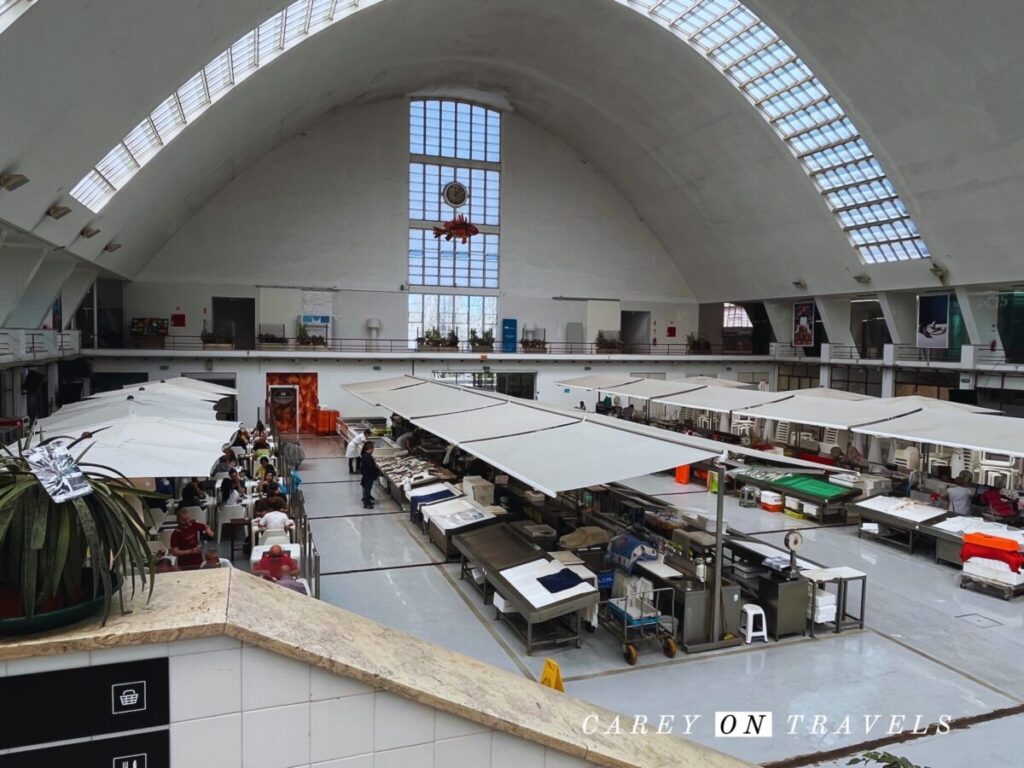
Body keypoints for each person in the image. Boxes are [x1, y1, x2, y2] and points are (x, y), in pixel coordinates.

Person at [360, 441, 379, 509]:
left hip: (366, 475)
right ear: (369, 449)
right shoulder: (367, 457)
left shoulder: (365, 455)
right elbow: (370, 467)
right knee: (367, 489)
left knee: (367, 488)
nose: (373, 450)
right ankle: (366, 503)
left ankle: (367, 500)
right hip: (368, 476)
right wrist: (376, 468)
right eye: (373, 449)